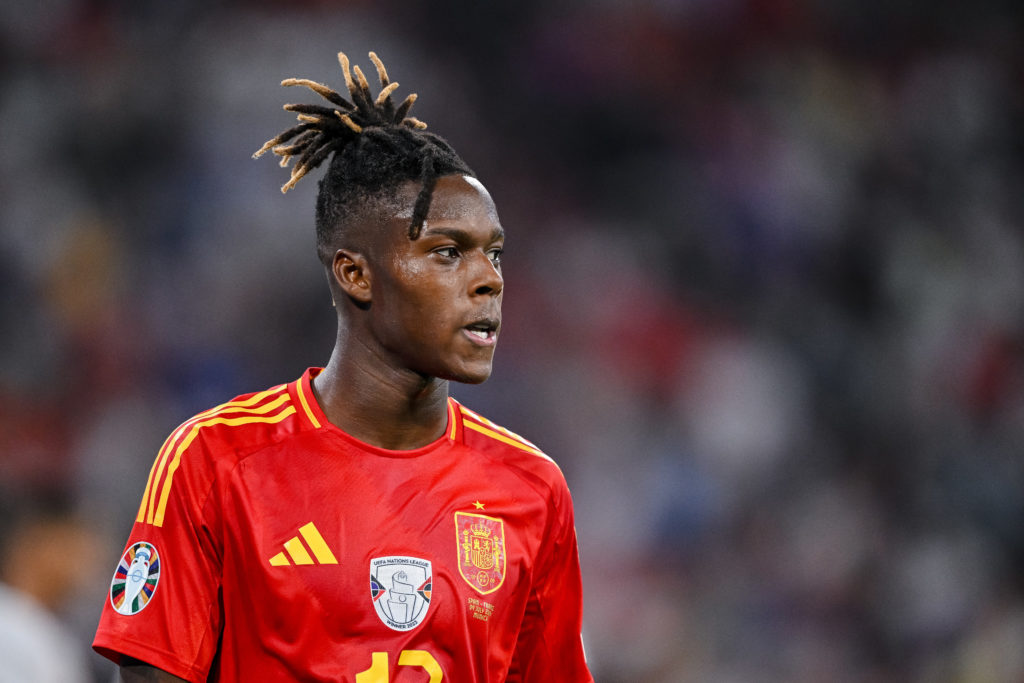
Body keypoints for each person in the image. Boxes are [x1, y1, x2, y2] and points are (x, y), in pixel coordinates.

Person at [92, 50, 593, 682]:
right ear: (356, 274)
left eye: (494, 253)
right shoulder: (215, 463)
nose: (488, 280)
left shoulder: (531, 490)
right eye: (447, 252)